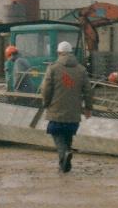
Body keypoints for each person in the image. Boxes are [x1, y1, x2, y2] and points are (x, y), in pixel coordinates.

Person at [40, 41, 93, 173]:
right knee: (68, 135)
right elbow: (88, 90)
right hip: (73, 112)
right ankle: (64, 163)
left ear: (59, 53)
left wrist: (45, 103)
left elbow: (46, 89)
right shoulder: (81, 69)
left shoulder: (53, 68)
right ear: (71, 52)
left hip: (56, 109)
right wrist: (88, 108)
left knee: (57, 134)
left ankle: (64, 154)